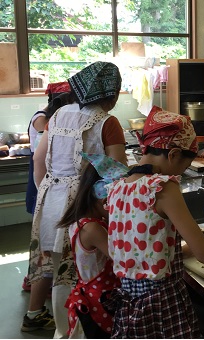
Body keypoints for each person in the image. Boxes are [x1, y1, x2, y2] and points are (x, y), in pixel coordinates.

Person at [104, 106, 204, 338]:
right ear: (174, 154)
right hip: (163, 305)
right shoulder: (162, 187)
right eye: (184, 168)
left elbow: (147, 251)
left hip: (130, 306)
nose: (180, 175)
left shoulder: (117, 187)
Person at [23, 61, 127, 335]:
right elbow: (116, 174)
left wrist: (49, 190)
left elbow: (38, 159)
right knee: (83, 274)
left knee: (59, 273)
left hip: (50, 199)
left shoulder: (57, 115)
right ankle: (82, 330)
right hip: (84, 205)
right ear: (114, 95)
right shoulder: (107, 122)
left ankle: (62, 331)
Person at [57, 153, 125, 338]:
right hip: (99, 303)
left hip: (94, 296)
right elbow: (123, 258)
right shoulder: (93, 228)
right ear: (104, 199)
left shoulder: (81, 222)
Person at [22, 85, 74, 293]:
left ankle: (38, 278)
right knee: (42, 233)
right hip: (41, 174)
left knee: (44, 232)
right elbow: (46, 152)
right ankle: (32, 278)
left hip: (45, 172)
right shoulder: (42, 118)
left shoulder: (50, 115)